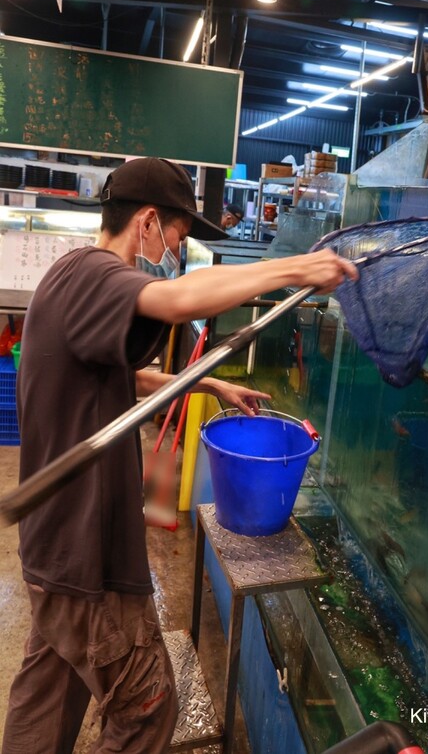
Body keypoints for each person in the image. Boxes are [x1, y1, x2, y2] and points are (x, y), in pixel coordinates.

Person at [2, 156, 357, 754]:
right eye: (177, 234)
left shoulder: (71, 279)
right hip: (87, 556)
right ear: (146, 222)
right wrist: (296, 268)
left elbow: (116, 375)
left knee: (48, 696)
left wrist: (207, 383)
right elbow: (177, 300)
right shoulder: (94, 274)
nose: (176, 249)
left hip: (55, 549)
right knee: (148, 709)